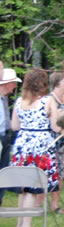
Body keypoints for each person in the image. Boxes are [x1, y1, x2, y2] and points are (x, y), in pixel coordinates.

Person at [11, 68, 63, 227]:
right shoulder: (47, 101)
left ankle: (20, 224)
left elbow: (14, 126)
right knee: (32, 188)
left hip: (22, 146)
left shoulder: (19, 101)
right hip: (40, 146)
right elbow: (55, 127)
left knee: (23, 187)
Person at [47, 71, 64, 214]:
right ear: (57, 83)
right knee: (52, 172)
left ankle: (55, 204)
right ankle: (41, 202)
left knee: (61, 172)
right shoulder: (49, 99)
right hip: (52, 139)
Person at [0, 68, 21, 206]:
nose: (14, 86)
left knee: (3, 172)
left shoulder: (4, 98)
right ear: (7, 83)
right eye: (13, 83)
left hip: (4, 136)